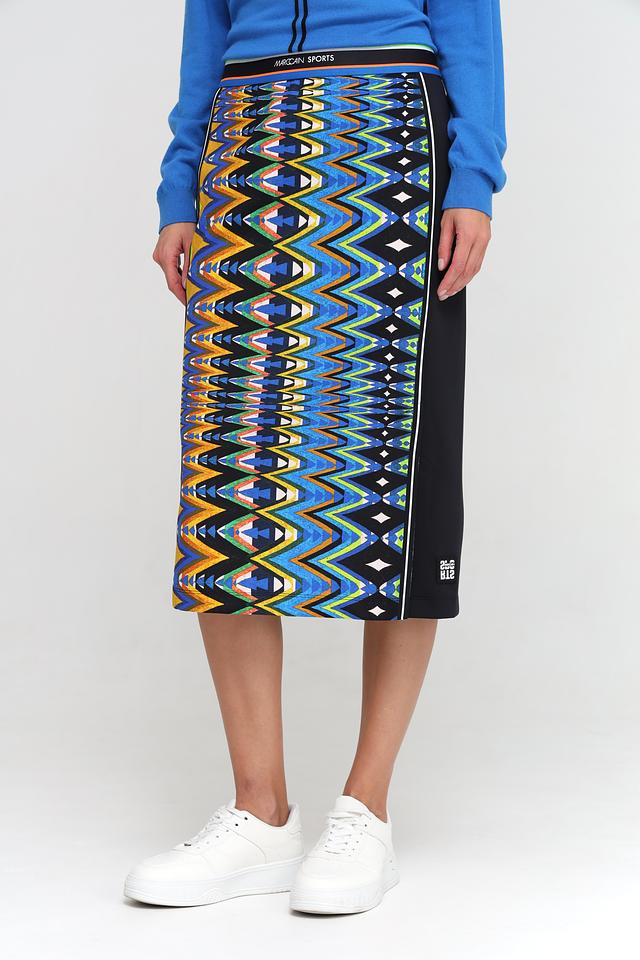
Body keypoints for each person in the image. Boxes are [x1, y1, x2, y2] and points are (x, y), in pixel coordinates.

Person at [125, 0, 506, 914]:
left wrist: (473, 177)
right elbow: (206, 34)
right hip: (244, 148)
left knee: (395, 474)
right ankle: (259, 812)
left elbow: (470, 22)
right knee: (229, 485)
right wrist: (180, 188)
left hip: (389, 145)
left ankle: (367, 810)